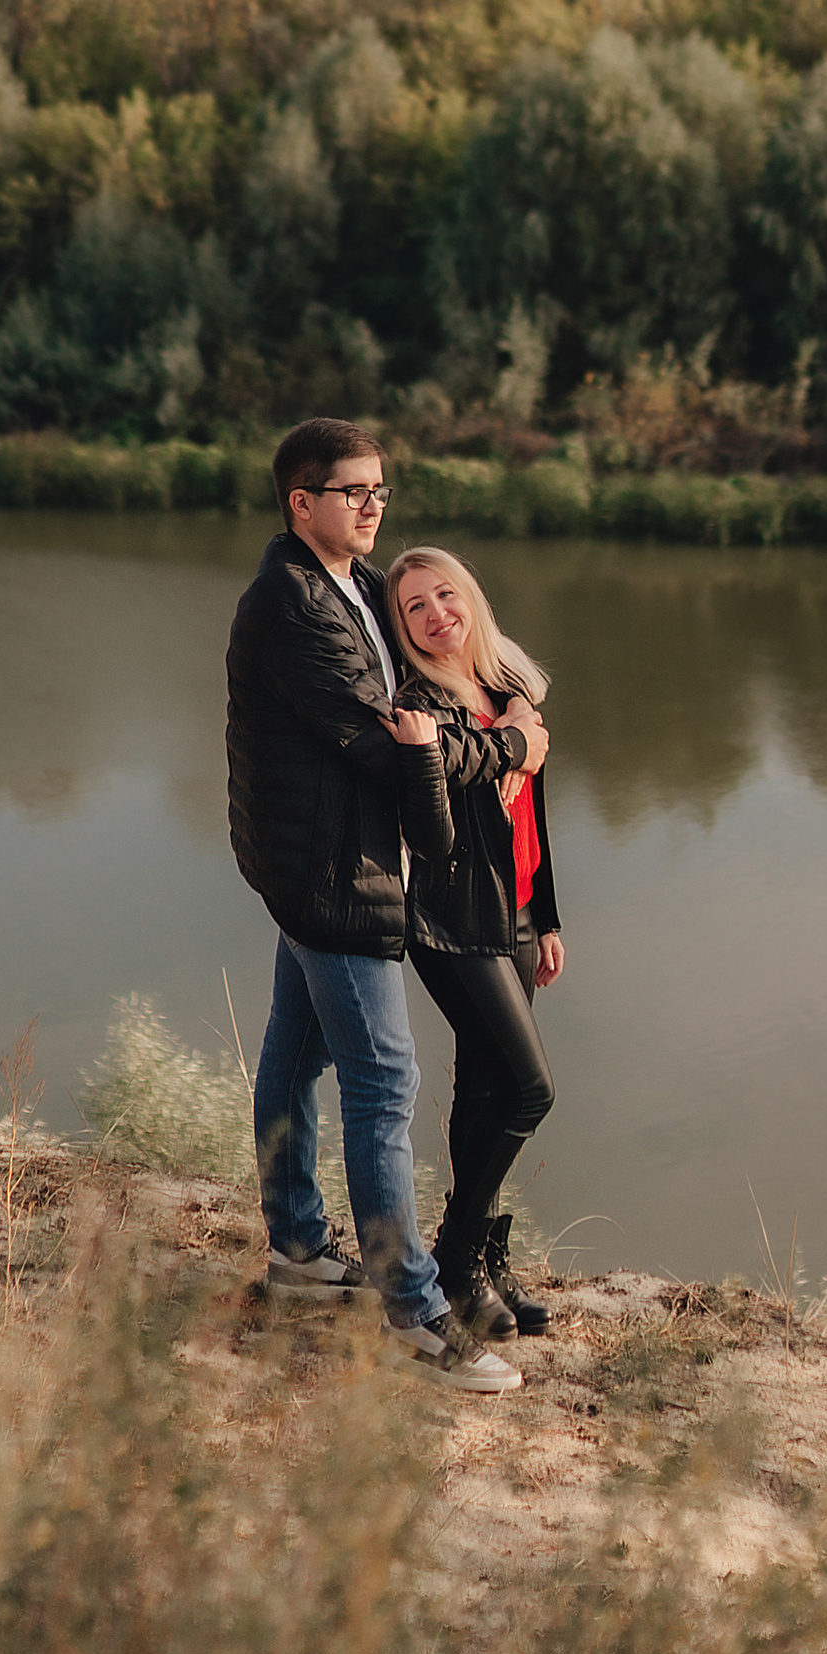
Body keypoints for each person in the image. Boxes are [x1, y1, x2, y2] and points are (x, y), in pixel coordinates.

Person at [227, 419, 526, 1391]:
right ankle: (412, 1307)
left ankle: (301, 1251)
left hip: (314, 858)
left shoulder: (347, 586)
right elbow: (390, 747)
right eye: (350, 491)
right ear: (298, 502)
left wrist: (458, 735)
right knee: (385, 1084)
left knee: (293, 1054)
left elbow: (419, 732)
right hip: (329, 876)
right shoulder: (290, 607)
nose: (370, 506)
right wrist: (513, 747)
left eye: (378, 491)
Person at [384, 546, 562, 1343]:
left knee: (485, 1089)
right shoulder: (427, 704)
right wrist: (507, 745)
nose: (435, 615)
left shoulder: (508, 691)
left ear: (472, 600)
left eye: (445, 595)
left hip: (517, 914)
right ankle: (457, 1258)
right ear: (403, 627)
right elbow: (437, 826)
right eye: (415, 607)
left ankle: (484, 1261)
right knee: (531, 1091)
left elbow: (535, 819)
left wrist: (548, 918)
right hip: (455, 922)